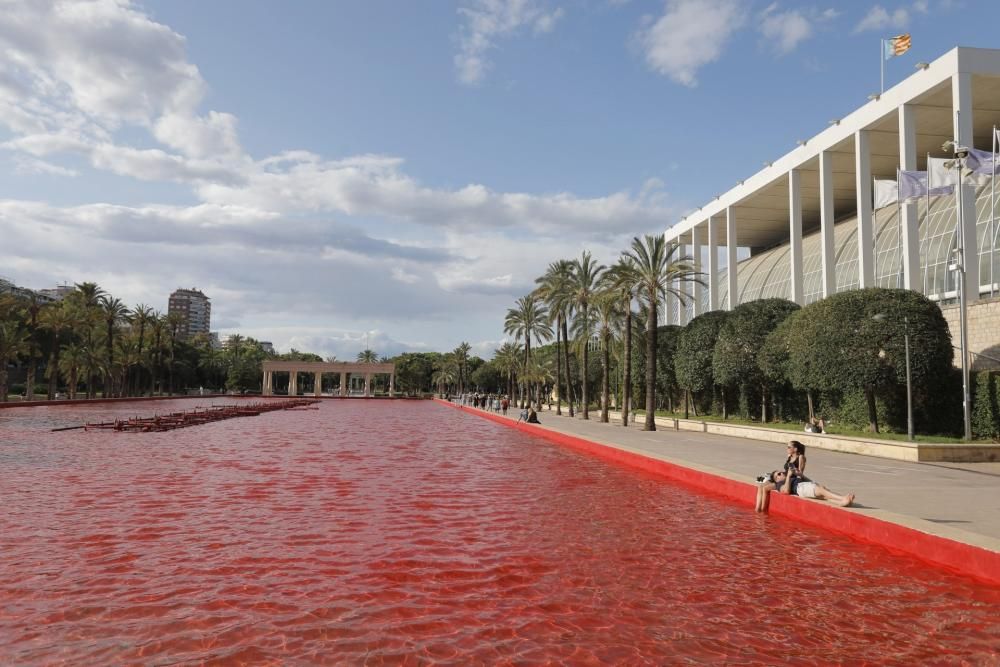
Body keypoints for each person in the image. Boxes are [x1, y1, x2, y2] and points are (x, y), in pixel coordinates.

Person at [773, 468, 855, 507]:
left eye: (781, 472)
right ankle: (842, 498)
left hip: (805, 486)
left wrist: (801, 475)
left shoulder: (790, 478)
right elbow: (786, 491)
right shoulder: (779, 484)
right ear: (776, 480)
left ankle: (841, 503)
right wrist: (788, 477)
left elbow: (809, 481)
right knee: (821, 490)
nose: (781, 473)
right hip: (800, 488)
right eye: (779, 474)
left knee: (824, 494)